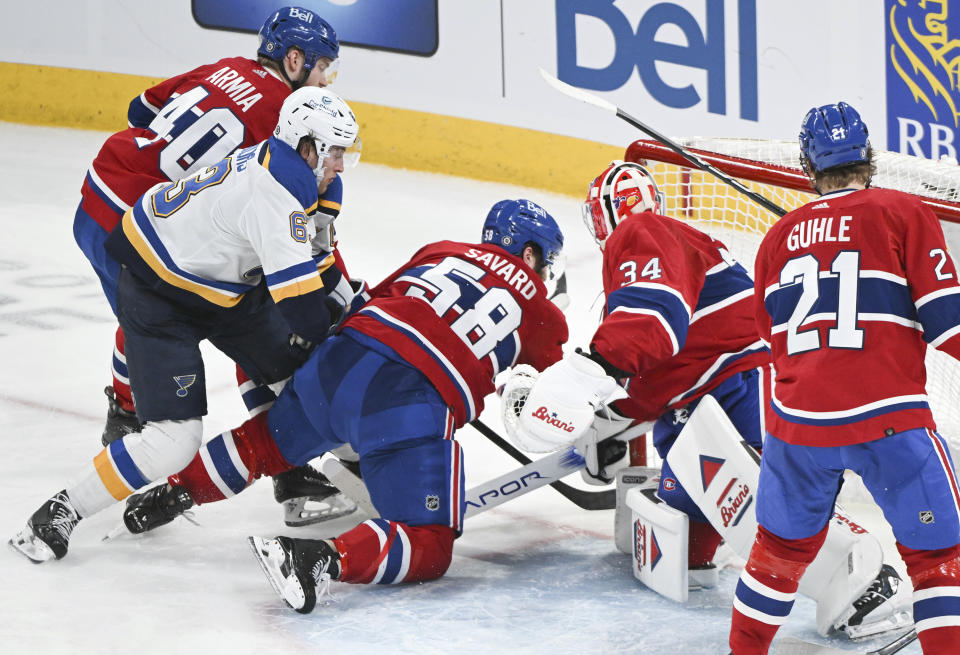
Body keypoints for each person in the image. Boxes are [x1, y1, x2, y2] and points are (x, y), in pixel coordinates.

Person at [508, 159, 909, 638]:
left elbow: (652, 316)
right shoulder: (661, 240)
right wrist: (612, 415)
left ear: (603, 215)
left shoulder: (642, 233)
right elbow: (658, 362)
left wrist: (587, 371)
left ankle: (865, 577)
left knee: (761, 499)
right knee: (689, 539)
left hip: (739, 380)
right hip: (699, 402)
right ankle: (779, 549)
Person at [105, 198, 567, 611]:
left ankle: (175, 492)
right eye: (544, 261)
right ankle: (318, 559)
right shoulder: (545, 314)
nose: (545, 273)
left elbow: (365, 302)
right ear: (529, 253)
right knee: (431, 542)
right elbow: (553, 395)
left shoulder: (441, 250)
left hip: (344, 360)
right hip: (408, 403)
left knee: (263, 444)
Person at [9, 86, 360, 564]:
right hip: (159, 291)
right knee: (175, 439)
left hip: (226, 286)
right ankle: (59, 511)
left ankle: (211, 486)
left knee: (306, 380)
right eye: (335, 152)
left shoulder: (295, 173)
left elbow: (320, 260)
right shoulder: (275, 195)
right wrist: (355, 331)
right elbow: (303, 309)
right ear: (307, 147)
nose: (341, 165)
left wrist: (355, 305)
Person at [727, 102, 960, 654]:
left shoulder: (776, 238)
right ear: (869, 157)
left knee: (776, 557)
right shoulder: (902, 211)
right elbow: (949, 325)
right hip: (888, 419)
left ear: (809, 167)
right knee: (937, 559)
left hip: (797, 428)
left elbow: (774, 345)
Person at [73, 5, 342, 444]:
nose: (324, 81)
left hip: (98, 195)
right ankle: (282, 460)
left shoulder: (225, 68)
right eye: (323, 67)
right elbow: (293, 229)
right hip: (142, 227)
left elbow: (139, 110)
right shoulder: (291, 122)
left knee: (144, 313)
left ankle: (123, 413)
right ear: (295, 60)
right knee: (249, 302)